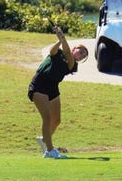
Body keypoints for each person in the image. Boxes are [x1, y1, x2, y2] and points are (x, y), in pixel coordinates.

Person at [27, 24, 88, 159]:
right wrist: (60, 39)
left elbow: (68, 54)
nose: (81, 54)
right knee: (47, 117)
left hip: (53, 87)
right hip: (40, 84)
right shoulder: (58, 53)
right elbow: (53, 51)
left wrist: (62, 37)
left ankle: (44, 140)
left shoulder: (73, 65)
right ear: (75, 48)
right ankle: (49, 150)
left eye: (83, 55)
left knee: (57, 120)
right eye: (81, 50)